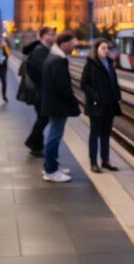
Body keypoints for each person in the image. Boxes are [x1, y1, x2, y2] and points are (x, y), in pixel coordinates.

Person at [41, 31, 80, 182]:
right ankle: (50, 170)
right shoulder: (57, 61)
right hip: (57, 105)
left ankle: (52, 165)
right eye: (71, 45)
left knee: (54, 135)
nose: (73, 48)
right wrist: (73, 101)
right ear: (64, 44)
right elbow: (63, 86)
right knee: (54, 136)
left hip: (54, 104)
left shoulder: (54, 57)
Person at [79, 38, 121, 173]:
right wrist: (95, 96)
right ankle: (93, 162)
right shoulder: (91, 64)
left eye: (107, 48)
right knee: (95, 134)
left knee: (106, 134)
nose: (106, 50)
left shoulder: (109, 63)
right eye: (103, 48)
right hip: (96, 105)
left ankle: (105, 160)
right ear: (96, 49)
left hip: (109, 104)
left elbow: (114, 81)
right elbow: (83, 84)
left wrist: (118, 96)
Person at [22, 27, 55, 157]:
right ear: (42, 36)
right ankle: (32, 142)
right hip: (40, 91)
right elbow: (41, 71)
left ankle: (36, 146)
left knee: (41, 117)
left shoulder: (43, 48)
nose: (53, 36)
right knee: (44, 118)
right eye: (50, 34)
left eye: (54, 34)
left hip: (39, 90)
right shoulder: (40, 50)